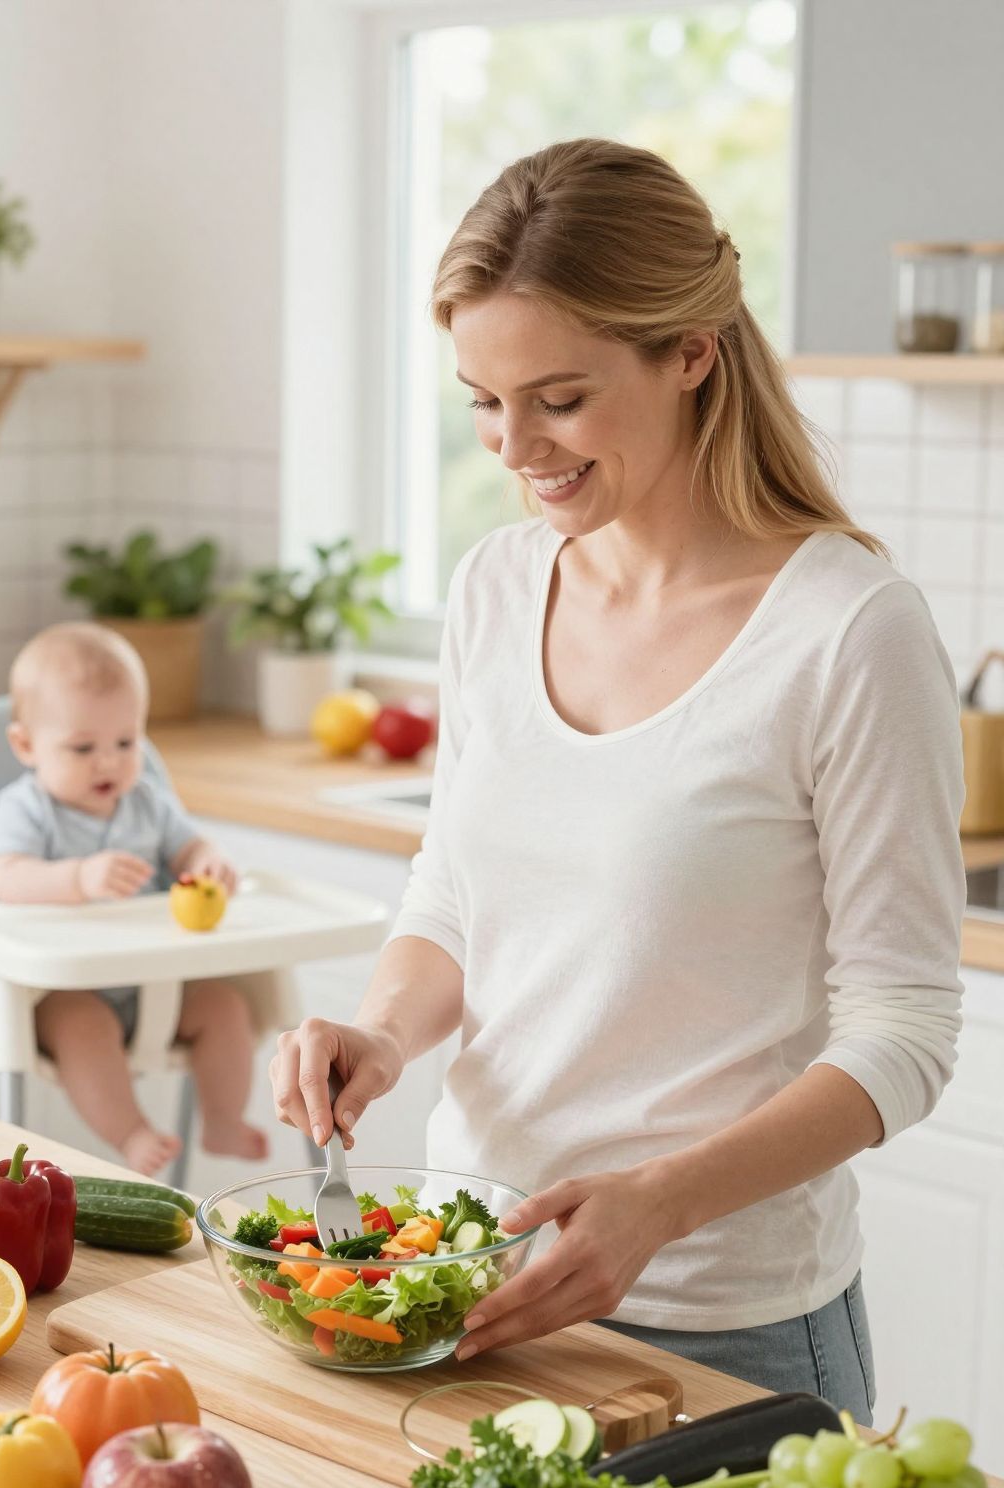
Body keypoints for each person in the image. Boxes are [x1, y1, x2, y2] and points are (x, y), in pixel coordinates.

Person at [270, 140, 965, 1421]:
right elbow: (454, 901)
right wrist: (380, 1028)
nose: (514, 444)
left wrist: (662, 1201)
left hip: (725, 1332)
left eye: (560, 398)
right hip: (473, 1285)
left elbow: (906, 1033)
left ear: (691, 351)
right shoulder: (496, 587)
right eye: (483, 400)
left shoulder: (849, 632)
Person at [0, 621, 266, 1176]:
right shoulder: (26, 809)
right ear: (25, 745)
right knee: (84, 1029)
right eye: (83, 747)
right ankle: (131, 1133)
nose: (108, 761)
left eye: (126, 742)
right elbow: (5, 878)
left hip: (155, 980)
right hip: (65, 990)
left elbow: (189, 846)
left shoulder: (148, 803)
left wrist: (206, 860)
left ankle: (223, 1117)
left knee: (226, 1008)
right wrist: (78, 879)